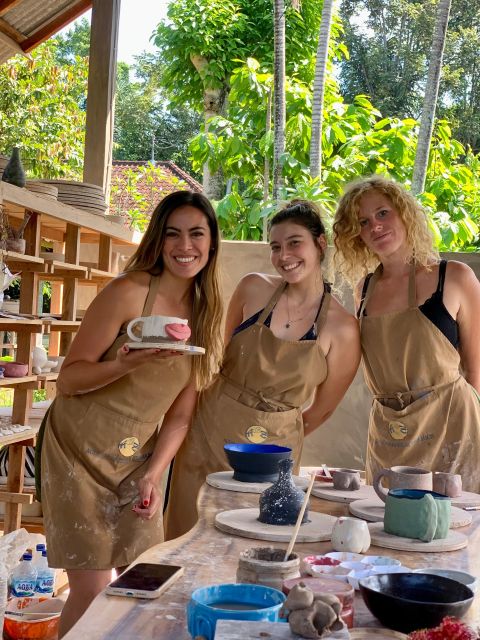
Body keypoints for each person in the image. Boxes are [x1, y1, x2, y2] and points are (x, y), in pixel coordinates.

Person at [38, 191, 223, 637]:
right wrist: (125, 363)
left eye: (197, 234)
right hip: (75, 450)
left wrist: (154, 473)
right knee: (92, 587)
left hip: (136, 455)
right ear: (158, 241)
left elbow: (180, 416)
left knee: (141, 581)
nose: (185, 245)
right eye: (173, 233)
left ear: (212, 244)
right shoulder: (128, 292)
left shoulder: (208, 312)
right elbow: (69, 379)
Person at [164, 199, 361, 540]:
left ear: (320, 244)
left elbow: (322, 409)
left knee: (259, 541)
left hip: (275, 453)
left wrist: (277, 430)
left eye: (294, 243)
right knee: (189, 536)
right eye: (275, 246)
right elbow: (212, 362)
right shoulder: (253, 288)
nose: (284, 255)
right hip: (209, 433)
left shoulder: (343, 328)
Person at [333, 175, 480, 489]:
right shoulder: (364, 290)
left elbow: (476, 371)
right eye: (363, 222)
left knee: (452, 527)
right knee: (382, 523)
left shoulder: (454, 277)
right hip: (390, 433)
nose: (375, 226)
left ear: (405, 212)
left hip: (451, 429)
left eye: (383, 213)